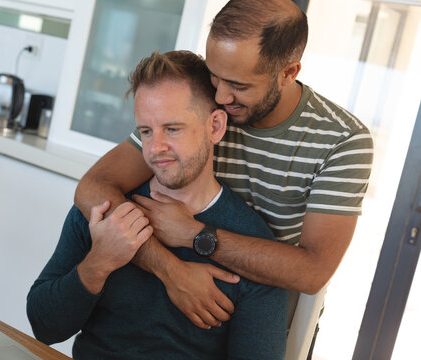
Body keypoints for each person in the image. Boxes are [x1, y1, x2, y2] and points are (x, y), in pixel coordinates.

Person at [74, 0, 374, 332]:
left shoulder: (342, 141)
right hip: (168, 301)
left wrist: (195, 236)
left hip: (262, 314)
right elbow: (93, 187)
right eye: (216, 78)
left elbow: (313, 272)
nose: (221, 97)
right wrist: (170, 271)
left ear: (289, 73)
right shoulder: (205, 101)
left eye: (239, 86)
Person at [27, 50, 288, 359]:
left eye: (172, 129)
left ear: (215, 126)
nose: (155, 148)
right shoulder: (105, 210)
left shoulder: (253, 247)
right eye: (146, 131)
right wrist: (99, 263)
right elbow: (44, 327)